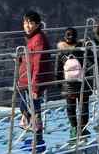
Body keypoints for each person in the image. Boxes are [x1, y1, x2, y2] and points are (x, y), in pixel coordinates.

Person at [16, 11, 51, 152]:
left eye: (31, 23)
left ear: (37, 24)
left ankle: (38, 141)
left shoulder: (38, 39)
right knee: (28, 109)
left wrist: (35, 87)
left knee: (34, 110)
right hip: (26, 80)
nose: (27, 26)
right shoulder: (33, 38)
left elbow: (39, 63)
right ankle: (36, 138)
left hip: (32, 82)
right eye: (25, 23)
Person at [56, 27, 91, 139]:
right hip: (82, 83)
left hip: (68, 85)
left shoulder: (61, 51)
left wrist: (59, 83)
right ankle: (83, 128)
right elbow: (91, 63)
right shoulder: (83, 48)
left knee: (70, 107)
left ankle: (74, 128)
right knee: (84, 106)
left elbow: (57, 69)